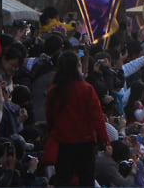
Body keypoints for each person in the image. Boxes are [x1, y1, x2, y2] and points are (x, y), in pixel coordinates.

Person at [45, 50, 109, 188]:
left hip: (63, 143)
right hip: (85, 143)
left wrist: (53, 133)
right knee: (86, 182)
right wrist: (105, 139)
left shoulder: (54, 90)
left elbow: (50, 117)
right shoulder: (87, 89)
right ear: (77, 67)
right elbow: (97, 117)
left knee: (63, 181)